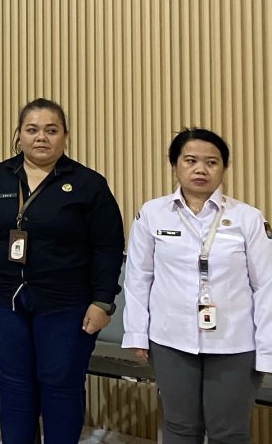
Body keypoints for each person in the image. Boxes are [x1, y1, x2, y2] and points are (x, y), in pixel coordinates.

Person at [0, 98, 123, 444]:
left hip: (67, 304)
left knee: (60, 383)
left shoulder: (88, 183)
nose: (41, 138)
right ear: (18, 135)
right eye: (32, 130)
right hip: (5, 299)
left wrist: (103, 301)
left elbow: (108, 248)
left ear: (65, 135)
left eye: (51, 130)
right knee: (14, 382)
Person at [122, 128, 271, 444]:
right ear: (175, 165)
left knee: (228, 432)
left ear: (224, 168)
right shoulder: (153, 213)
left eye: (211, 162)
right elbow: (138, 277)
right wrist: (136, 332)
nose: (201, 169)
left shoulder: (248, 218)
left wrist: (267, 347)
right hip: (170, 339)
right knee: (179, 427)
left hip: (235, 343)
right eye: (190, 160)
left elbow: (266, 286)